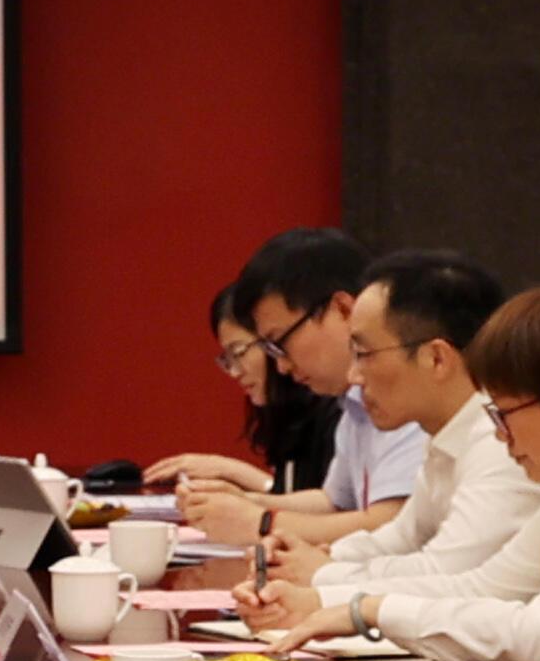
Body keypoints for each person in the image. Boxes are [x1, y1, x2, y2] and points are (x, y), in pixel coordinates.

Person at [259, 287, 540, 661]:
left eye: (505, 414)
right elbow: (483, 587)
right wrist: (332, 603)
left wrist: (372, 610)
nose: (500, 436)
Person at [245, 252, 540, 627]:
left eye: (364, 354)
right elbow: (398, 539)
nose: (354, 376)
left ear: (436, 358)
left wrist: (322, 576)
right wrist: (315, 555)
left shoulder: (501, 443)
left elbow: (451, 574)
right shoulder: (448, 434)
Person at [169, 230, 403, 548]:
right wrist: (245, 502)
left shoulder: (406, 390)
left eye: (280, 342)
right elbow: (334, 502)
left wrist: (260, 522)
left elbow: (391, 526)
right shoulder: (353, 399)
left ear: (342, 309)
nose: (280, 366)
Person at [144, 278, 333, 503]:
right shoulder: (291, 418)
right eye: (228, 358)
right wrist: (229, 473)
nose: (234, 371)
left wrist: (241, 496)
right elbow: (294, 498)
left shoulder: (335, 409)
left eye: (239, 352)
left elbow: (336, 511)